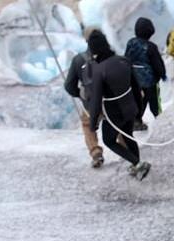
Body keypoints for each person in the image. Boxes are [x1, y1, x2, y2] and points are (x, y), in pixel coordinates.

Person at [85, 30, 151, 180]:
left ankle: (138, 163)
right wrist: (138, 111)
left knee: (109, 140)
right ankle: (137, 166)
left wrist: (93, 123)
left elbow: (95, 100)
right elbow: (136, 87)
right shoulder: (124, 60)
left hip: (114, 113)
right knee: (129, 136)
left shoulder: (98, 70)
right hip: (130, 108)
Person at [63, 27, 104, 168]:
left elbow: (69, 85)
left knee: (87, 125)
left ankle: (95, 152)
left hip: (90, 103)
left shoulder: (78, 60)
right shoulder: (111, 55)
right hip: (111, 100)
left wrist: (80, 95)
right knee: (117, 123)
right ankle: (125, 146)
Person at [125, 17, 167, 131]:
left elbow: (126, 59)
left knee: (140, 101)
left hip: (135, 81)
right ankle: (160, 118)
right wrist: (163, 74)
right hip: (150, 81)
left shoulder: (131, 43)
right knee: (155, 102)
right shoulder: (150, 47)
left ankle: (137, 121)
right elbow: (157, 63)